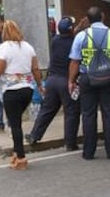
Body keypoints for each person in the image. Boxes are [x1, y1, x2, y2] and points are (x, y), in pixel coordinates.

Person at [0, 20, 43, 170]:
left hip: (11, 90)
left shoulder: (4, 48)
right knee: (16, 121)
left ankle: (20, 157)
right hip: (27, 89)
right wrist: (40, 85)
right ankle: (16, 152)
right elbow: (35, 69)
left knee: (15, 124)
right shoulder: (28, 47)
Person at [68, 6, 110, 160]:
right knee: (109, 114)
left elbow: (74, 62)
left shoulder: (81, 36)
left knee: (88, 114)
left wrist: (71, 81)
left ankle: (88, 152)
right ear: (103, 16)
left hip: (88, 78)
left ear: (87, 20)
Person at [25, 16, 85, 151]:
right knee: (71, 112)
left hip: (52, 81)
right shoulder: (75, 42)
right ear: (70, 31)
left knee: (47, 109)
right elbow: (73, 42)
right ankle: (70, 143)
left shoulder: (55, 41)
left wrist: (77, 27)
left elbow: (68, 34)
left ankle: (34, 135)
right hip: (66, 81)